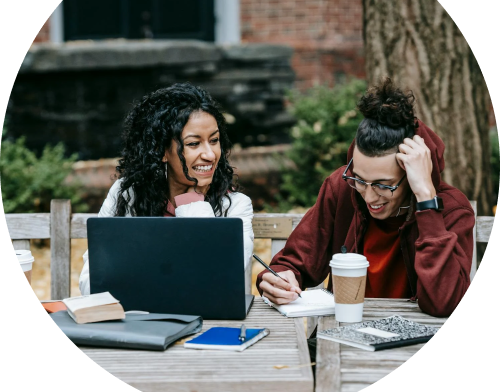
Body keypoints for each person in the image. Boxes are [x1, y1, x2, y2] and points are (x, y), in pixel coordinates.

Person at [257, 77, 475, 319]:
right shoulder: (341, 188)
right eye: (359, 179)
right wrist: (278, 277)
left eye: (384, 185)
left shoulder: (452, 210)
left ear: (411, 173)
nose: (369, 196)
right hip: (344, 334)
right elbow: (295, 261)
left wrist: (426, 198)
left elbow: (444, 303)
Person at [79, 82, 254, 297]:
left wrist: (193, 203)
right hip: (139, 322)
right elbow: (92, 282)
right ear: (161, 151)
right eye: (193, 144)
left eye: (214, 140)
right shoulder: (127, 195)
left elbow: (216, 283)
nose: (210, 154)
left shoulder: (235, 207)